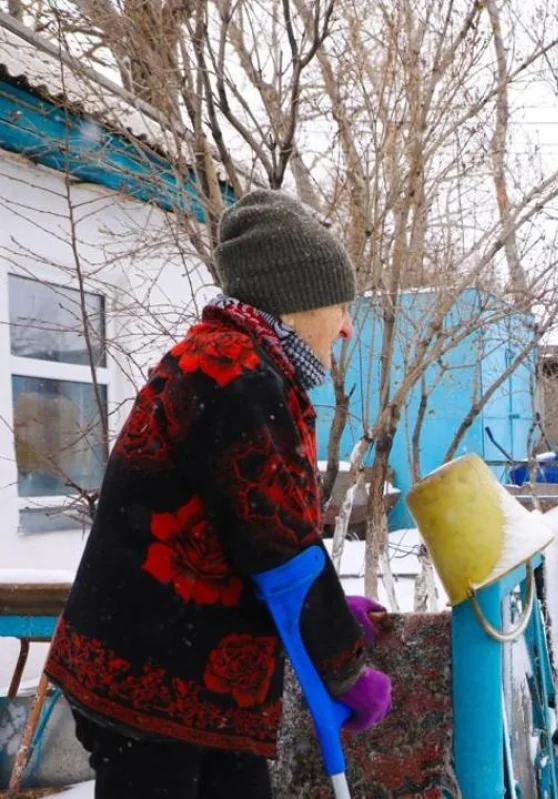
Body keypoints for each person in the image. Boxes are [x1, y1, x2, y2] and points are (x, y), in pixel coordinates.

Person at [44, 190, 392, 799]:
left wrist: (333, 619)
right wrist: (343, 664)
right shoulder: (232, 373)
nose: (345, 326)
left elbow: (250, 533)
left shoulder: (235, 362)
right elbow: (277, 546)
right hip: (154, 686)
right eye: (338, 305)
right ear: (294, 302)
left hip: (183, 678)